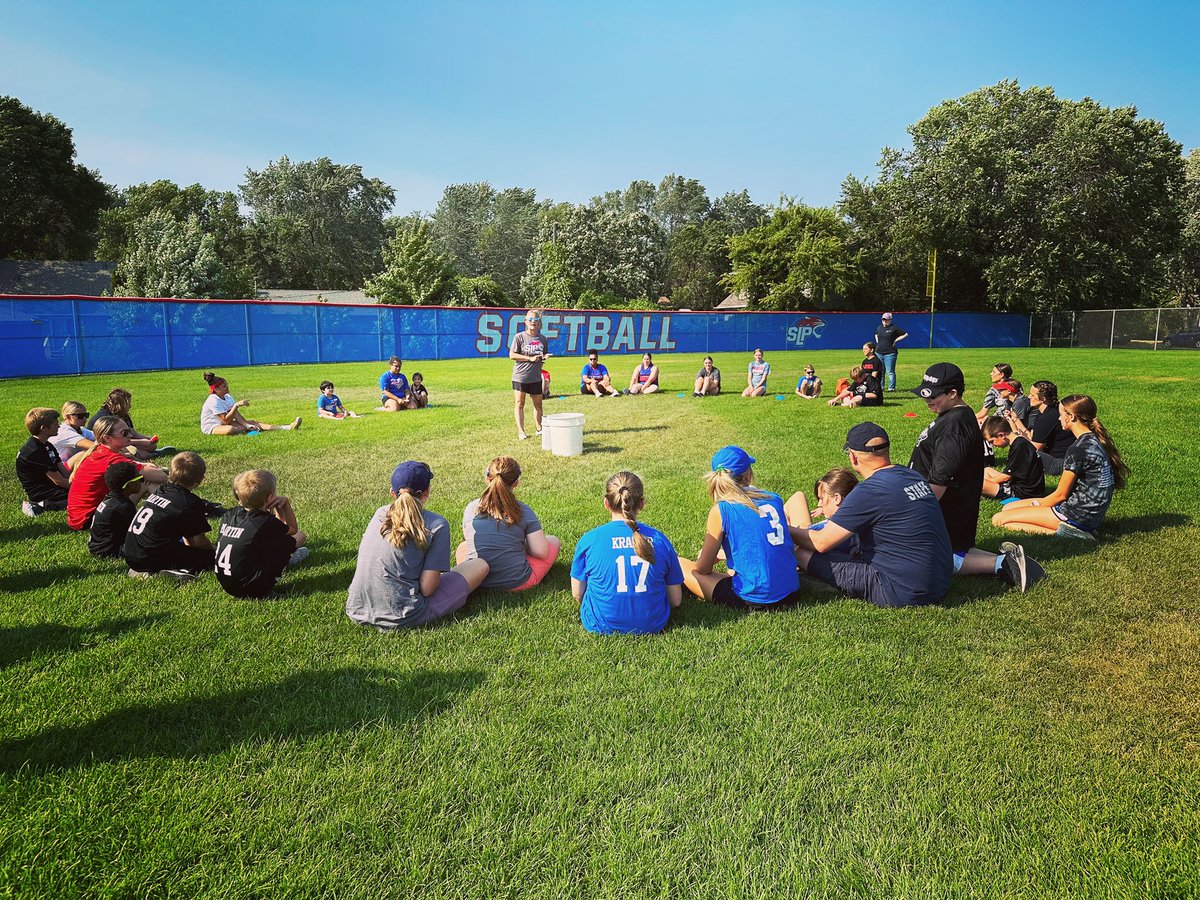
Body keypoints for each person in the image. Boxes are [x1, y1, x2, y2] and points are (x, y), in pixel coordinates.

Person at [908, 363, 1045, 592]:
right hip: (949, 508)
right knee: (956, 549)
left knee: (929, 558)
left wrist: (911, 513)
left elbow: (941, 478)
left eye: (933, 396)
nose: (927, 400)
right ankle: (1006, 559)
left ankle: (1003, 564)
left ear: (953, 393)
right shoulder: (953, 415)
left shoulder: (955, 425)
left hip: (944, 508)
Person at [792, 423, 954, 608]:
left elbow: (821, 543)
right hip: (940, 581)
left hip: (900, 590)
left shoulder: (869, 490)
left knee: (800, 552)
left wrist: (782, 528)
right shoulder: (912, 476)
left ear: (853, 457)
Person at [346, 461, 490, 630]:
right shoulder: (437, 524)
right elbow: (428, 589)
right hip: (405, 615)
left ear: (392, 492)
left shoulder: (380, 514)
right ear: (427, 491)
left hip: (357, 608)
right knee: (480, 565)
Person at [677, 446, 803, 610]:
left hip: (753, 599)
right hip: (792, 591)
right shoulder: (774, 498)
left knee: (680, 563)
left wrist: (709, 557)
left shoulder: (721, 510)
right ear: (748, 475)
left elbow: (703, 568)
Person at [993, 395, 1130, 540]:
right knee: (1008, 508)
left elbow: (1060, 495)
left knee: (999, 519)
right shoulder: (1094, 440)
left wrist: (1036, 505)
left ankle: (1067, 533)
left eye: (1061, 415)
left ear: (1071, 417)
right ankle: (1071, 529)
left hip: (1075, 515)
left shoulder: (1077, 449)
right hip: (1091, 515)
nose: (1059, 419)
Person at [571, 471, 684, 634]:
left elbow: (577, 594)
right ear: (642, 504)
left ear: (606, 503)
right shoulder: (660, 540)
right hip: (653, 623)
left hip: (600, 624)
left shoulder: (590, 540)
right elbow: (676, 601)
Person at [456, 456, 561, 592]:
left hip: (476, 579)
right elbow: (541, 552)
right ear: (516, 483)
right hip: (517, 581)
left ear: (487, 478)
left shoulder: (471, 507)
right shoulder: (522, 510)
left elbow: (470, 540)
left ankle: (470, 577)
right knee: (553, 540)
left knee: (463, 547)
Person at [215, 470, 309, 598]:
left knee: (274, 540)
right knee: (299, 536)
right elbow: (292, 529)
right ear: (270, 497)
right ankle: (269, 585)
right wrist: (285, 504)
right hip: (252, 589)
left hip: (227, 584)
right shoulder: (263, 522)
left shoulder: (230, 514)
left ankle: (284, 558)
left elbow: (277, 528)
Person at [123, 452, 215, 579]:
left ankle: (141, 569)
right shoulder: (188, 502)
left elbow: (187, 534)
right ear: (200, 479)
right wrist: (213, 551)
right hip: (150, 557)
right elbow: (199, 542)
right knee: (211, 559)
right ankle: (159, 573)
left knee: (189, 551)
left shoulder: (161, 489)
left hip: (130, 552)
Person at [66, 416, 167, 530]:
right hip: (90, 519)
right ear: (108, 438)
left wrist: (143, 465)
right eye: (124, 433)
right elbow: (162, 477)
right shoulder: (111, 458)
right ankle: (169, 517)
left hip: (79, 517)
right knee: (147, 481)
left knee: (140, 478)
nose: (129, 435)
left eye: (129, 431)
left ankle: (166, 517)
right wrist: (150, 467)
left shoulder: (98, 451)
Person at [1004, 380, 1072, 475]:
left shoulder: (1046, 418)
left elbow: (1032, 449)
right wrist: (1016, 420)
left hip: (1059, 463)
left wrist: (1014, 430)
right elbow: (1032, 439)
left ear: (1043, 399)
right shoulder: (1048, 411)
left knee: (1022, 452)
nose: (1029, 397)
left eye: (1032, 395)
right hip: (1064, 460)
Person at [201, 373, 301, 435]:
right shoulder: (213, 400)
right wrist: (236, 405)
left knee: (252, 423)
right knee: (230, 430)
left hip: (224, 423)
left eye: (226, 384)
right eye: (224, 386)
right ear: (216, 389)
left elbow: (236, 415)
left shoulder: (228, 397)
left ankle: (287, 427)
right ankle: (249, 429)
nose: (227, 386)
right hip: (212, 427)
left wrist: (247, 425)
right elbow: (226, 420)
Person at [16, 407, 70, 517]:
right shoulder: (34, 451)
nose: (59, 426)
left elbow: (62, 469)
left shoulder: (46, 445)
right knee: (81, 500)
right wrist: (82, 487)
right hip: (43, 492)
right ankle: (41, 505)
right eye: (56, 424)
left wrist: (78, 481)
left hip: (52, 486)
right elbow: (59, 481)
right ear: (44, 428)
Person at [87, 388, 169, 460]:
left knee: (152, 446)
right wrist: (140, 442)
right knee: (137, 452)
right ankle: (152, 455)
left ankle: (153, 452)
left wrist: (148, 439)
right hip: (108, 444)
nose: (130, 406)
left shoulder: (123, 414)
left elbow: (131, 433)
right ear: (120, 404)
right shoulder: (105, 418)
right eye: (128, 403)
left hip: (120, 442)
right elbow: (116, 439)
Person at [510, 309, 552, 440]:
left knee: (538, 405)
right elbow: (512, 355)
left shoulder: (542, 339)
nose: (533, 322)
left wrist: (544, 357)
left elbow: (542, 356)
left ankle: (539, 428)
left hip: (535, 377)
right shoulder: (519, 337)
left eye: (536, 320)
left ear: (539, 322)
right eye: (530, 320)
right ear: (526, 322)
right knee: (519, 403)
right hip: (521, 376)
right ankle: (521, 431)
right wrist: (529, 358)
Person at [981, 417, 1045, 501]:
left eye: (992, 441)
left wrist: (988, 482)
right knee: (987, 470)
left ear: (1001, 435)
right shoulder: (1019, 441)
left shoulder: (1019, 447)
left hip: (1024, 493)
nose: (992, 445)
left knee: (979, 484)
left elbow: (1006, 477)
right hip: (1023, 486)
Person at [88, 461, 143, 558]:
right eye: (140, 478)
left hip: (98, 546)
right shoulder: (123, 506)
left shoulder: (110, 499)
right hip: (110, 551)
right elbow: (138, 533)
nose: (142, 481)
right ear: (130, 484)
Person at [51, 401, 98, 471]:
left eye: (86, 415)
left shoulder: (79, 429)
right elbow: (93, 446)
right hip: (62, 469)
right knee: (86, 453)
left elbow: (99, 436)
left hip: (70, 465)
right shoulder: (64, 432)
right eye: (80, 416)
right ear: (68, 417)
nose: (85, 418)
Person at [874, 312, 908, 392]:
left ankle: (891, 388)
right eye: (883, 319)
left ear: (890, 320)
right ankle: (881, 387)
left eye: (886, 320)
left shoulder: (894, 328)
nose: (885, 321)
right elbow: (876, 334)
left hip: (890, 353)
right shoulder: (879, 327)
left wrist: (896, 340)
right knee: (880, 371)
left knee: (890, 371)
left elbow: (905, 334)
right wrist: (878, 342)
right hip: (879, 352)